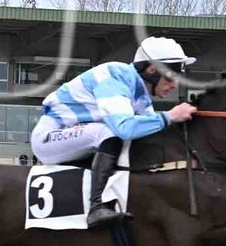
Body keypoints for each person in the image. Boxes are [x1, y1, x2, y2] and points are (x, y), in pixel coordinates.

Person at [30, 35, 197, 228]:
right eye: (170, 77)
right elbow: (124, 128)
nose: (174, 85)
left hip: (77, 137)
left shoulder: (140, 95)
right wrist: (169, 116)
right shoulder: (116, 75)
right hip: (49, 138)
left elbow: (149, 133)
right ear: (152, 70)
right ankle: (96, 208)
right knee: (109, 133)